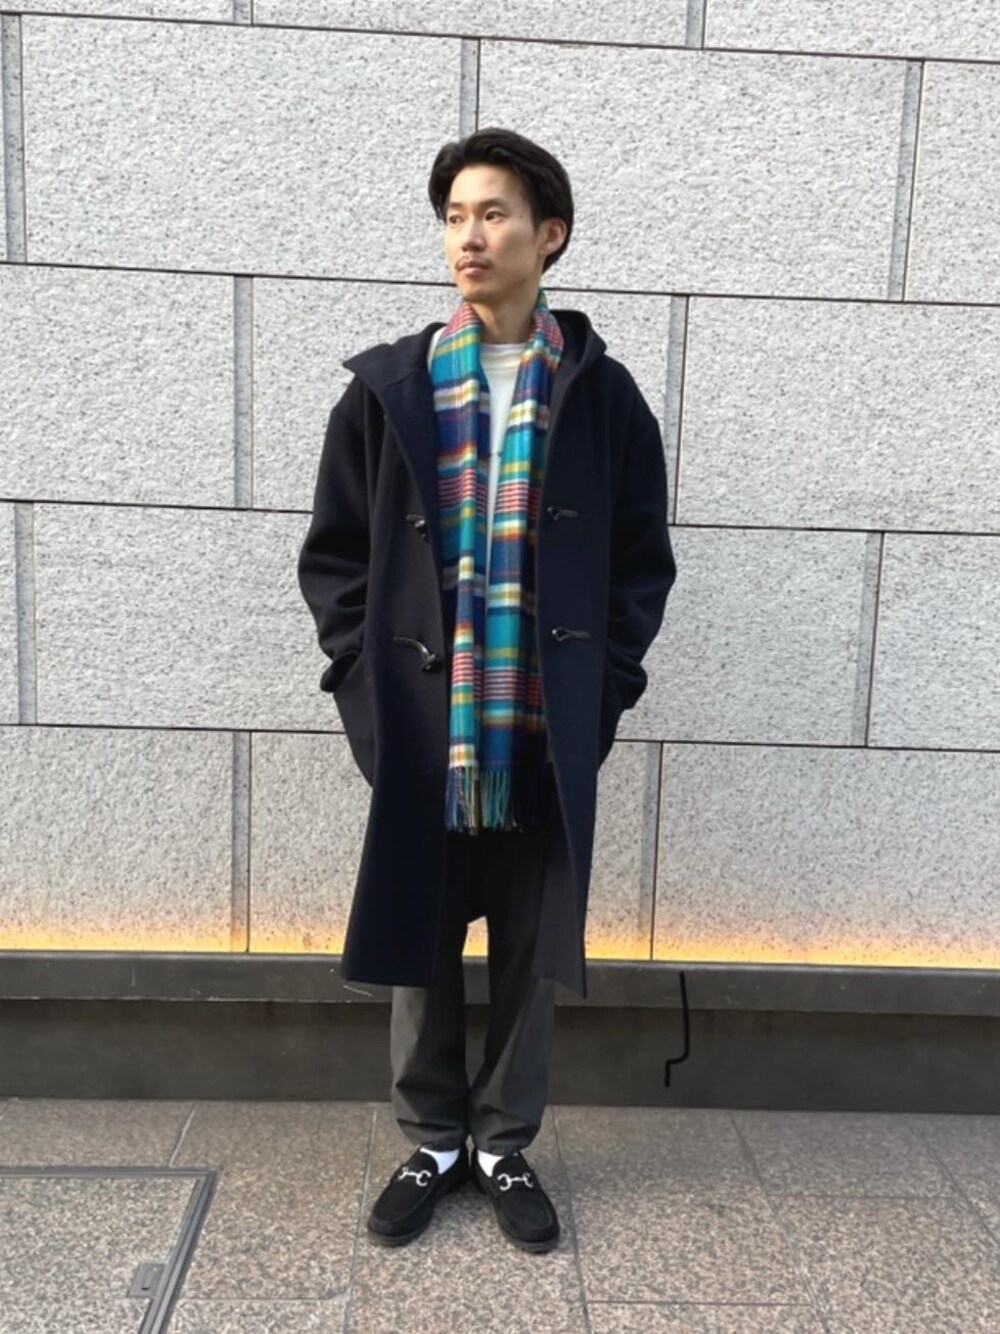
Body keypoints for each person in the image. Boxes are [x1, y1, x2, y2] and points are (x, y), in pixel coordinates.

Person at [297, 128, 676, 1253]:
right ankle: (432, 1140)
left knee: (527, 945)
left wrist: (601, 692)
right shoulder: (390, 389)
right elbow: (335, 558)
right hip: (425, 725)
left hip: (543, 726)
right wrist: (365, 689)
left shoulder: (601, 397)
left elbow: (639, 563)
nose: (469, 235)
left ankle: (505, 1142)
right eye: (455, 215)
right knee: (419, 934)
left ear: (548, 235)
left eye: (494, 213)